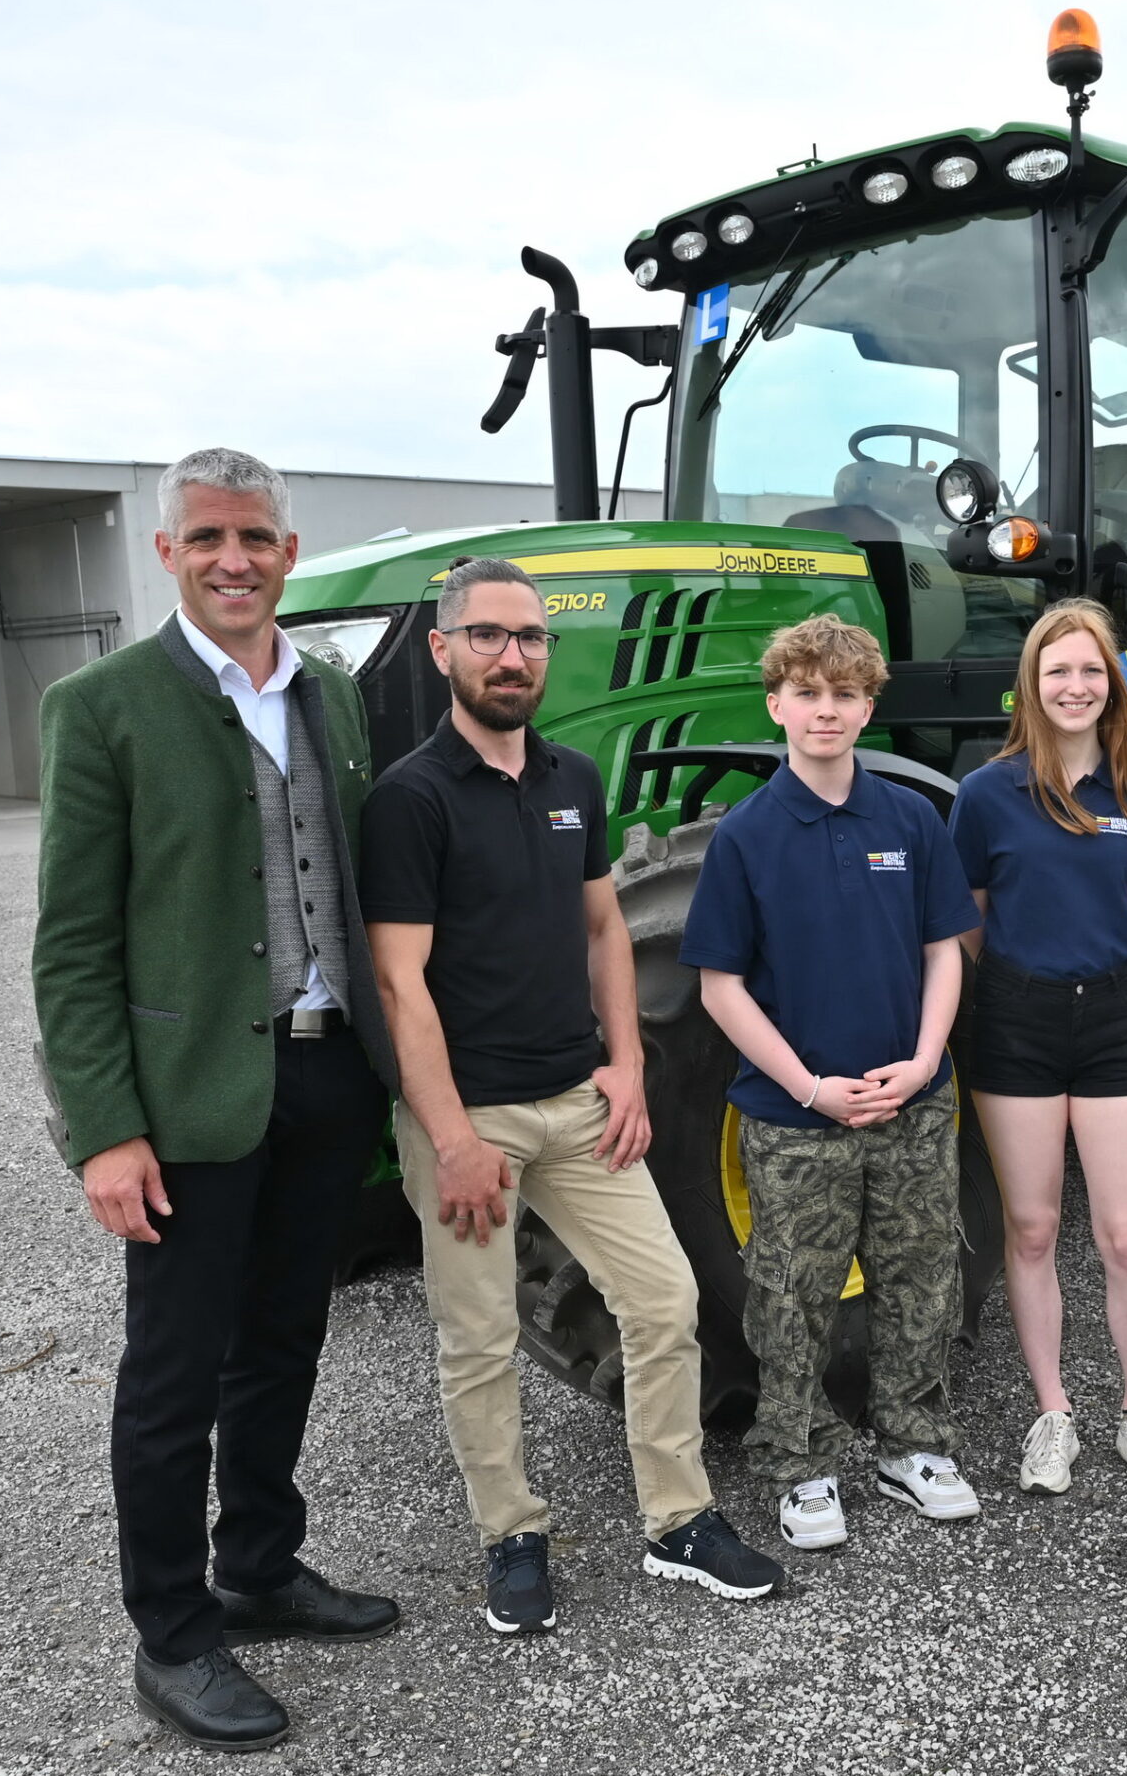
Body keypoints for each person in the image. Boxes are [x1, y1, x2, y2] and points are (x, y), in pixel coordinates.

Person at [32, 447, 400, 1752]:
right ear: (167, 554)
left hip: (323, 1070)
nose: (233, 559)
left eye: (255, 536)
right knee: (174, 1373)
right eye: (207, 539)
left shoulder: (335, 697)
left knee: (286, 1339)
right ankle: (175, 1635)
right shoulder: (104, 707)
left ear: (288, 552)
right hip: (188, 1097)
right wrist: (105, 1128)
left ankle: (259, 1563)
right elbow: (72, 945)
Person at [360, 558, 784, 1634]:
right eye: (491, 637)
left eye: (531, 638)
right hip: (475, 1121)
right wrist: (450, 1136)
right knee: (478, 1338)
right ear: (444, 648)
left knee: (665, 1302)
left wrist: (629, 1066)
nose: (514, 657)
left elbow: (605, 927)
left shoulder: (571, 779)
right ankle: (512, 1535)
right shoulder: (409, 800)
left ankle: (678, 1519)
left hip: (578, 1105)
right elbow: (398, 981)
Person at [679, 613, 985, 1550]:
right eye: (807, 693)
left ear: (868, 709)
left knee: (921, 1276)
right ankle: (799, 1462)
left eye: (844, 694)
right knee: (792, 1291)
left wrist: (929, 1059)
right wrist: (811, 1088)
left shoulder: (910, 820)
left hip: (910, 1103)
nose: (826, 710)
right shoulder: (747, 837)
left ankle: (914, 1444)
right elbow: (720, 987)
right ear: (776, 703)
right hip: (795, 1116)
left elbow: (944, 949)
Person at [949, 598, 1127, 1495]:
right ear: (1033, 687)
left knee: (1125, 1235)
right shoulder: (985, 794)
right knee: (1035, 1225)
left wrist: (1093, 975)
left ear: (1113, 685)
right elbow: (968, 924)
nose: (1076, 686)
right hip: (1017, 1021)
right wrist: (1027, 980)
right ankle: (1053, 1413)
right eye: (1059, 673)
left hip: (1116, 1021)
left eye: (1092, 671)